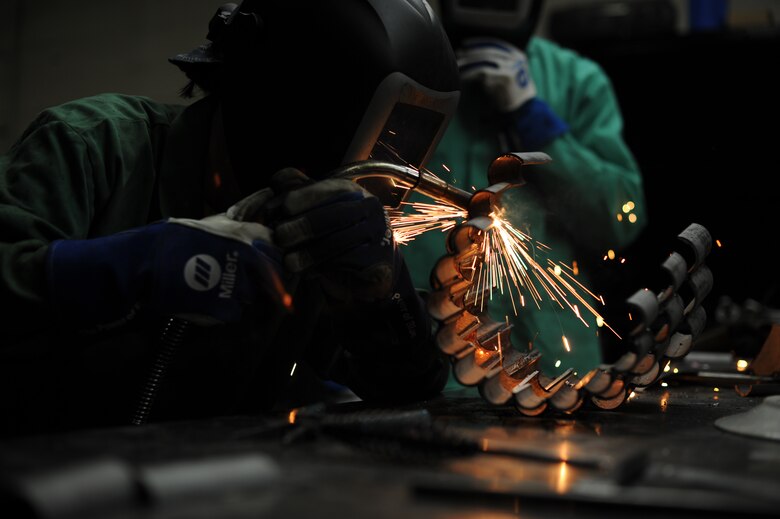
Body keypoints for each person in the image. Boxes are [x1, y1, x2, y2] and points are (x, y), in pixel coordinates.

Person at [0, 0, 459, 437]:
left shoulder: (307, 232)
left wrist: (384, 301)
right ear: (288, 105)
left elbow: (407, 392)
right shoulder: (91, 147)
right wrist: (124, 268)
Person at [402, 0, 648, 380]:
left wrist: (534, 119)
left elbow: (620, 220)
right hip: (428, 364)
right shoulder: (402, 65)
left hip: (556, 371)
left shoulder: (576, 80)